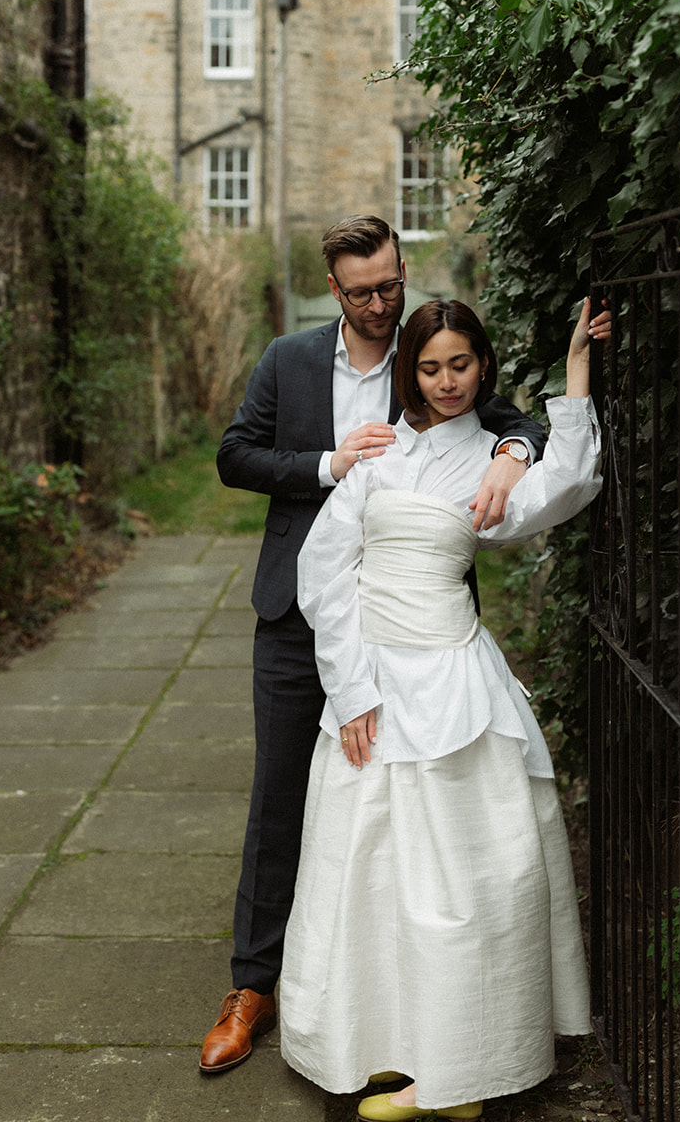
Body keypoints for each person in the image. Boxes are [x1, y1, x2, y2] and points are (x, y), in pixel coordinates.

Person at [199, 217, 548, 1075]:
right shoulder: (288, 360)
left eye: (390, 285)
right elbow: (234, 455)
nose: (380, 303)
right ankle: (252, 987)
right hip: (296, 610)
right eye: (361, 292)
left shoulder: (429, 355)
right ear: (334, 285)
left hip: (411, 630)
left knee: (403, 810)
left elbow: (517, 423)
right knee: (280, 795)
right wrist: (326, 465)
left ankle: (396, 998)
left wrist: (509, 451)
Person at [278, 295, 610, 1121]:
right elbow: (324, 577)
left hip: (455, 681)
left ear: (482, 367)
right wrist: (350, 689)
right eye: (430, 367)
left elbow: (566, 483)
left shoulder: (492, 467)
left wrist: (573, 369)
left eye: (461, 364)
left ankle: (460, 1068)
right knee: (370, 869)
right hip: (370, 679)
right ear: (410, 373)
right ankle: (382, 1045)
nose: (447, 380)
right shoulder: (380, 456)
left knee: (469, 873)